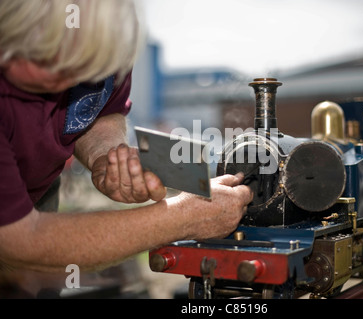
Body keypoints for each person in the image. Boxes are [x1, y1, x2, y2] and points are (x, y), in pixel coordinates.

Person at [0, 0, 253, 297]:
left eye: (89, 69)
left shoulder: (104, 36)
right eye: (53, 64)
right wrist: (184, 218)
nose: (74, 79)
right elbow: (21, 239)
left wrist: (104, 155)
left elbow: (103, 108)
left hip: (37, 195)